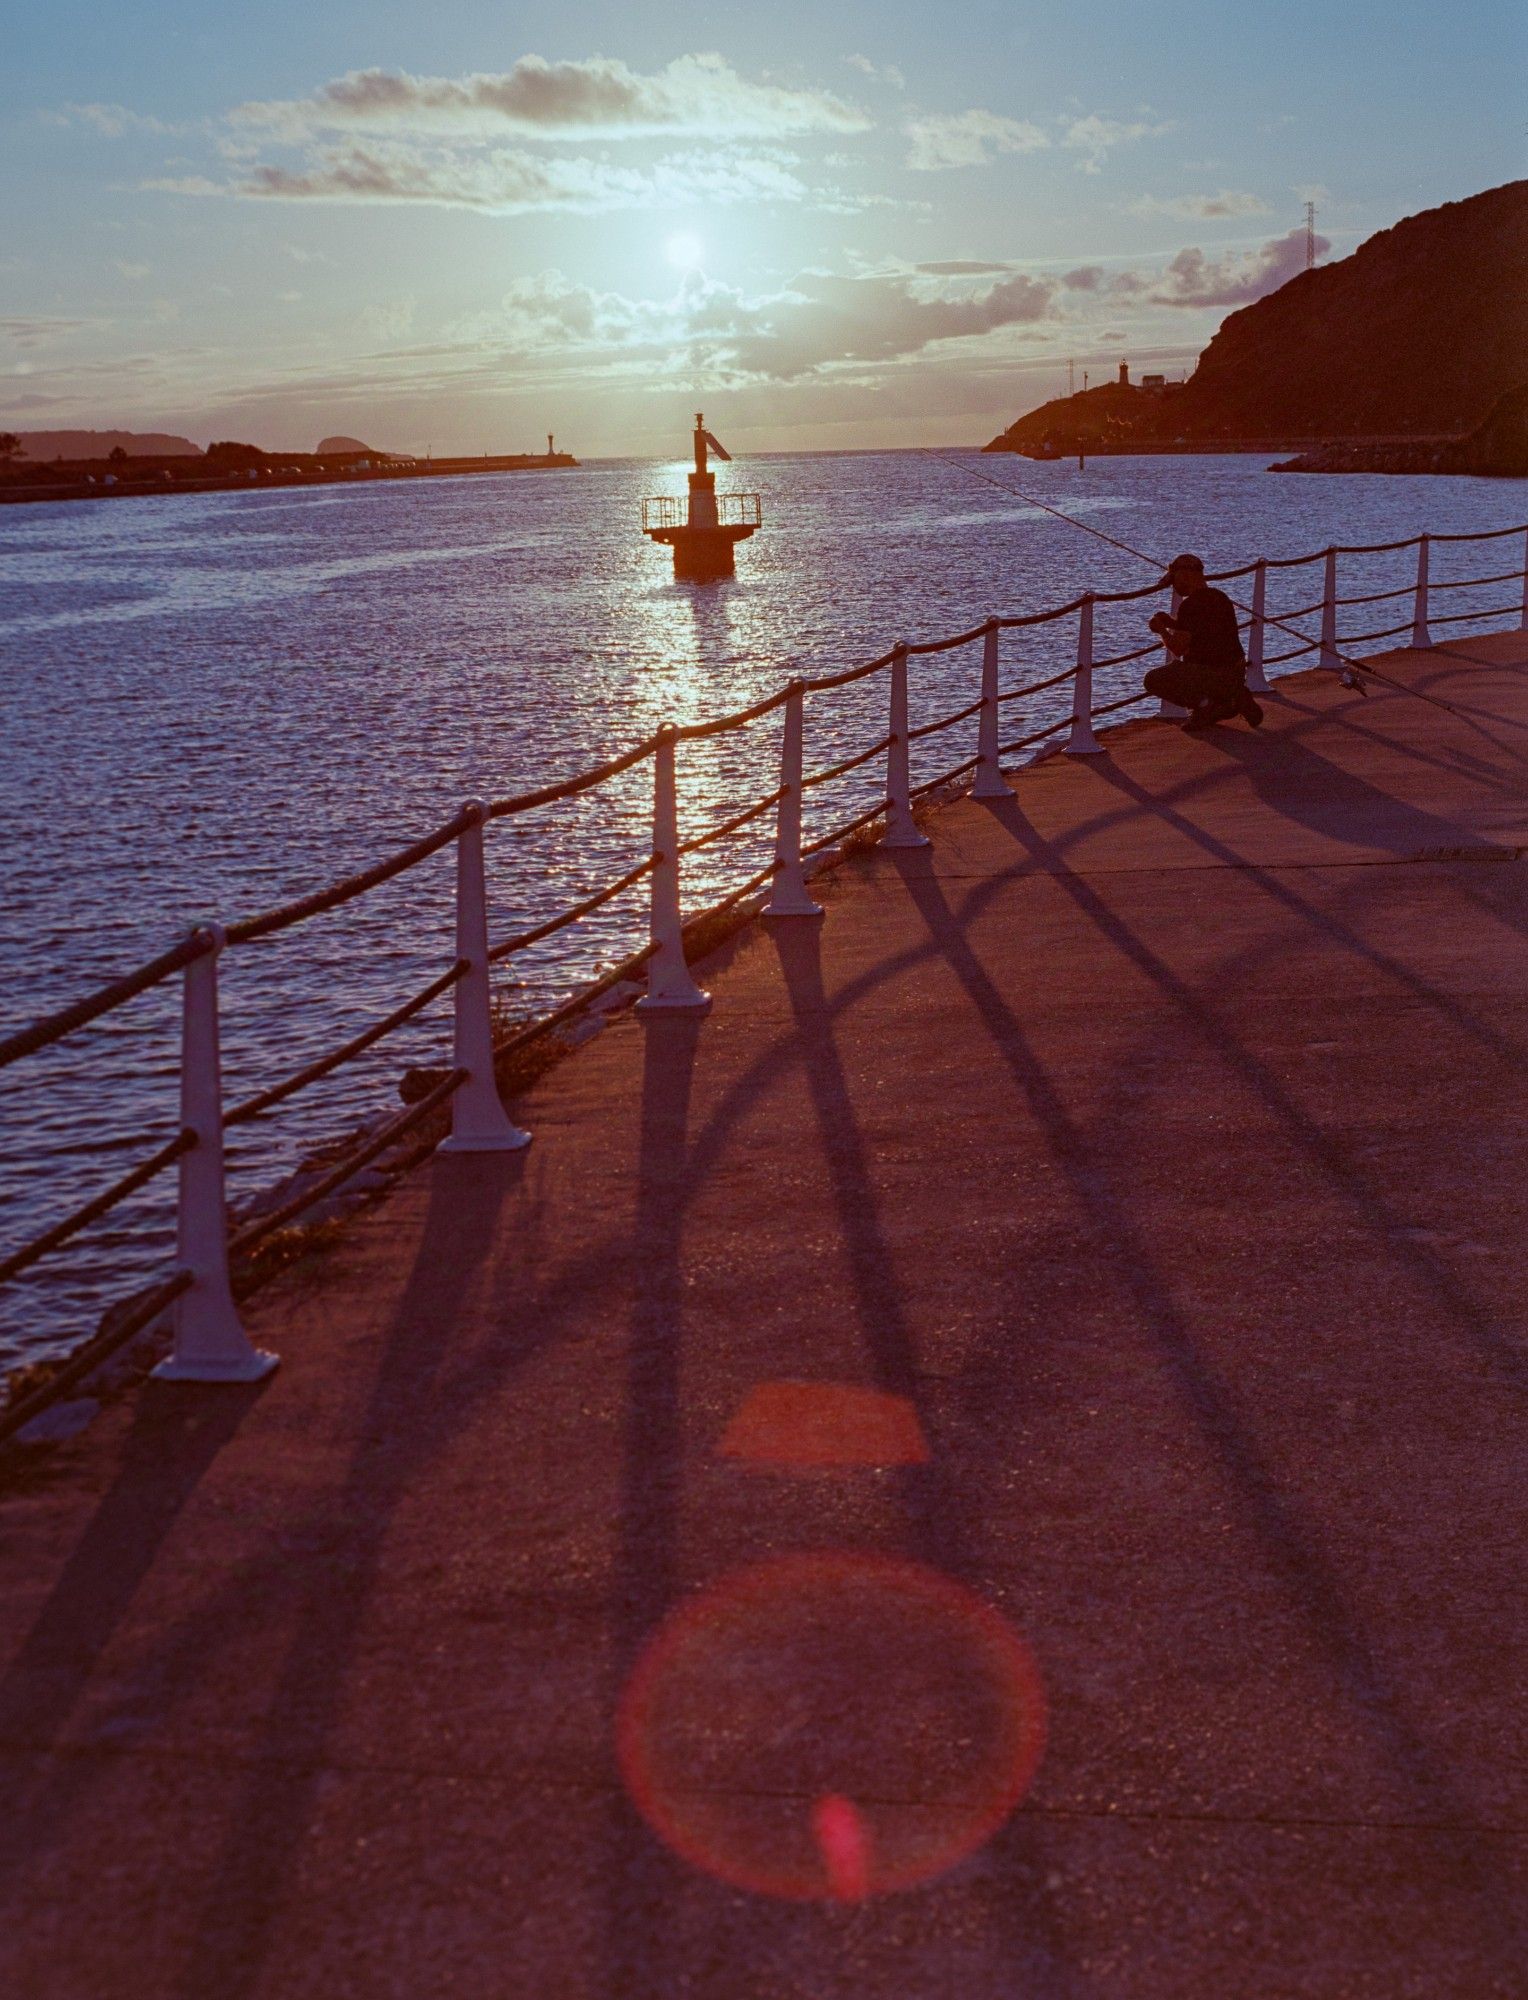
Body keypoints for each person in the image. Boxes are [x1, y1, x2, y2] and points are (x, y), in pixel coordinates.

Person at [1143, 553, 1263, 731]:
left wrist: (1161, 629)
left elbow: (1178, 648)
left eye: (1174, 580)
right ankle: (1232, 696)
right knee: (1210, 676)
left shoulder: (1190, 606)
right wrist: (1172, 623)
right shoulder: (1220, 597)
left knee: (1153, 680)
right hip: (1235, 673)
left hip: (1210, 675)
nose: (1174, 587)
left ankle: (1206, 706)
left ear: (1185, 576)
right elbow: (1203, 631)